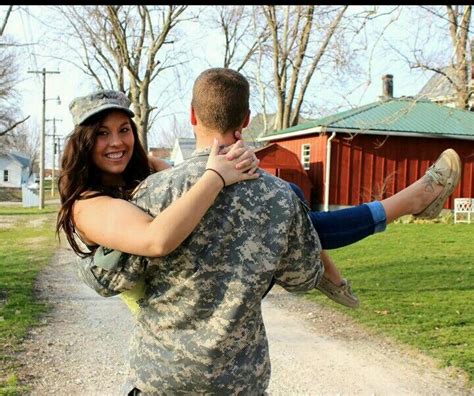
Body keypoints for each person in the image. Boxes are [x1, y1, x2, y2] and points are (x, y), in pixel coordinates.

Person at [65, 68, 460, 394]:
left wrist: (242, 180)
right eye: (101, 133)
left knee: (282, 200)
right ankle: (406, 205)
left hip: (164, 375)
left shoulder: (150, 182)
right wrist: (224, 178)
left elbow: (181, 185)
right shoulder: (89, 202)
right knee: (287, 206)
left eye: (123, 130)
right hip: (217, 379)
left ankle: (403, 207)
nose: (117, 142)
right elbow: (153, 242)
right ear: (246, 120)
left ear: (191, 116)